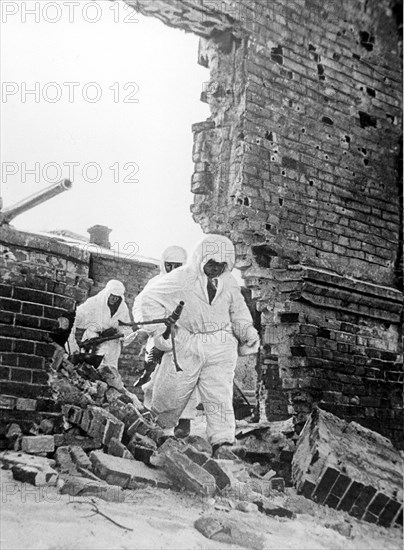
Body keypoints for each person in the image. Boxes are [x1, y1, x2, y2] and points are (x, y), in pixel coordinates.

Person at [133, 234, 260, 455]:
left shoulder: (229, 282)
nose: (216, 269)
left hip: (220, 342)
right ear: (201, 258)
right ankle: (162, 431)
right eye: (212, 263)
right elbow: (147, 299)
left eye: (222, 265)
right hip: (188, 340)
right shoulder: (182, 277)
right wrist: (161, 329)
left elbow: (238, 311)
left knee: (219, 393)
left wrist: (247, 331)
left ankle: (222, 441)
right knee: (173, 388)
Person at [134, 245, 198, 438]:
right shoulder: (155, 283)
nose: (172, 270)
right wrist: (147, 327)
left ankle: (184, 422)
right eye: (169, 265)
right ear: (164, 264)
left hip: (183, 339)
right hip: (159, 335)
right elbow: (141, 305)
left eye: (177, 265)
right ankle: (151, 418)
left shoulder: (191, 284)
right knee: (153, 379)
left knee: (184, 380)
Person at [68, 279, 132, 369]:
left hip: (112, 346)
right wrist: (72, 344)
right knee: (88, 370)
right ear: (107, 293)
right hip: (93, 342)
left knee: (109, 373)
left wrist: (124, 334)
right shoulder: (94, 303)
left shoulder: (122, 308)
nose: (114, 299)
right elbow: (74, 317)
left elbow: (126, 327)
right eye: (112, 295)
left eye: (117, 297)